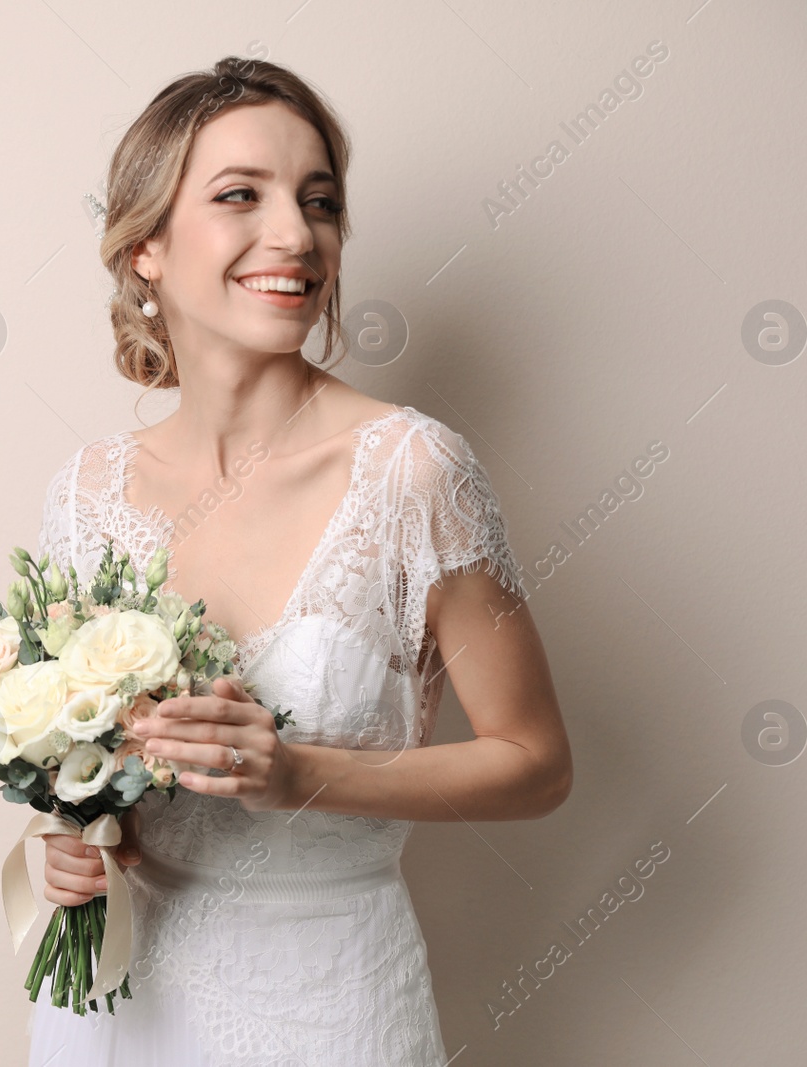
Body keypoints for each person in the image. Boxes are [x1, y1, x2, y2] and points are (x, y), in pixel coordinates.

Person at [28, 54, 571, 1066]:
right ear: (145, 245)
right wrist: (69, 846)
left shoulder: (414, 470)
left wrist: (301, 773)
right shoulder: (83, 494)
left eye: (318, 201)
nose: (295, 234)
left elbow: (537, 765)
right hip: (118, 1003)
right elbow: (88, 771)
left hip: (327, 1000)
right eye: (241, 195)